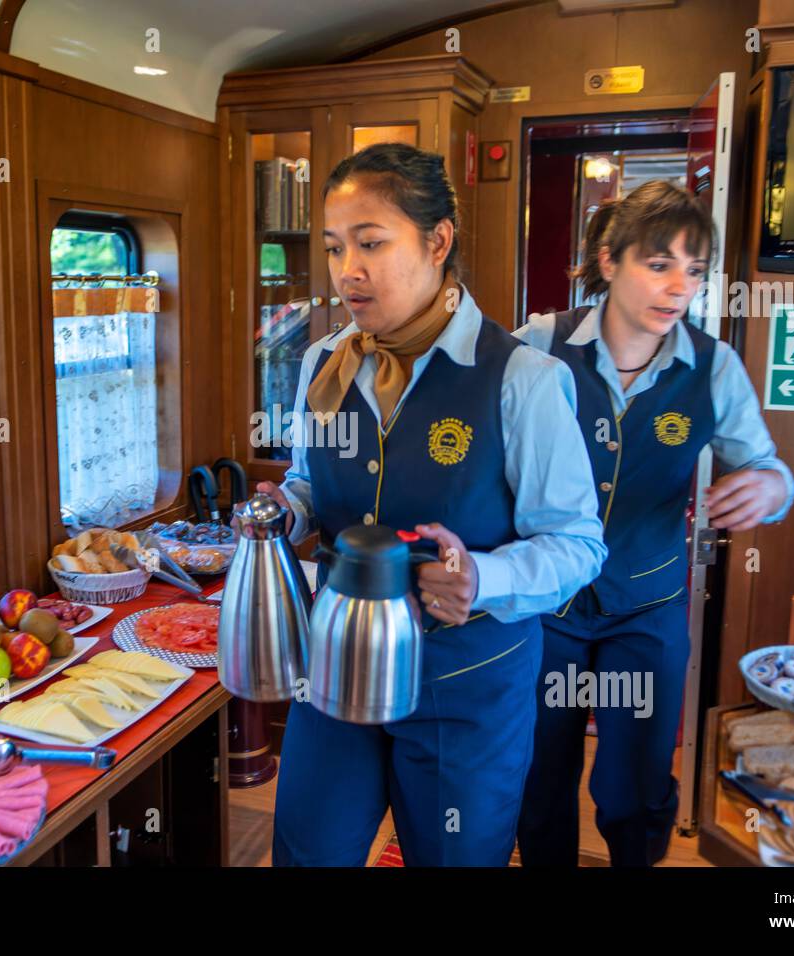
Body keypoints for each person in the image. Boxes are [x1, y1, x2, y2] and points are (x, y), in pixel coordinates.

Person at [253, 142, 606, 867]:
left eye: (371, 243)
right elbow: (314, 488)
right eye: (334, 247)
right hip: (339, 664)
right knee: (306, 850)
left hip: (467, 686)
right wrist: (286, 513)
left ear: (438, 240)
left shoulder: (524, 380)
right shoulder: (323, 364)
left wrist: (482, 577)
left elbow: (578, 544)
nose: (348, 269)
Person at [515, 180, 794, 867]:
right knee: (537, 770)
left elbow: (766, 464)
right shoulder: (536, 347)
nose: (678, 287)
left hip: (648, 606)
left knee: (636, 782)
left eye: (694, 270)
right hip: (545, 606)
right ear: (609, 262)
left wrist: (768, 485)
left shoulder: (712, 366)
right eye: (658, 263)